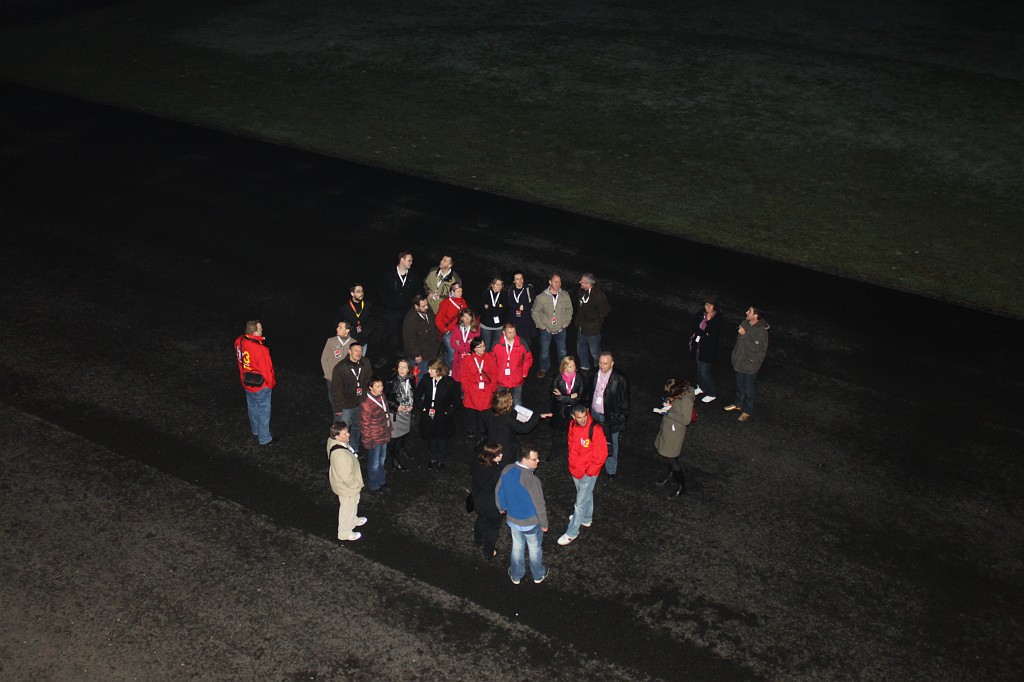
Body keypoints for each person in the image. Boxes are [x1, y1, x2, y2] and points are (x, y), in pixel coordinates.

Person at [495, 446, 549, 585]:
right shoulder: (531, 480)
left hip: (513, 520)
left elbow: (499, 490)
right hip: (531, 523)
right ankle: (538, 574)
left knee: (517, 547)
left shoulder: (507, 469)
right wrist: (544, 524)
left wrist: (501, 506)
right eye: (534, 459)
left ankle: (516, 575)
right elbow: (539, 504)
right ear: (524, 460)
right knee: (535, 548)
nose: (538, 461)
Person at [557, 405, 608, 546]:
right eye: (580, 417)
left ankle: (572, 532)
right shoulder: (572, 425)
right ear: (574, 417)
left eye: (585, 416)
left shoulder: (595, 429)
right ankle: (586, 518)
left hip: (587, 472)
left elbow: (601, 454)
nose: (584, 420)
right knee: (586, 495)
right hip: (575, 468)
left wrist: (589, 472)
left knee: (579, 504)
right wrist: (572, 463)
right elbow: (570, 443)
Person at [234, 319, 278, 446]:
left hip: (246, 381)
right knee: (264, 410)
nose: (262, 330)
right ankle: (265, 438)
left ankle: (255, 430)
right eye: (260, 329)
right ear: (254, 332)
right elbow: (267, 370)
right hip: (260, 386)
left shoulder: (239, 341)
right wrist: (270, 385)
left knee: (252, 406)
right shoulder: (260, 349)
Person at [725, 305, 770, 422]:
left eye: (749, 311)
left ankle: (747, 410)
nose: (746, 312)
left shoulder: (761, 331)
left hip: (750, 364)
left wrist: (745, 335)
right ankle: (738, 404)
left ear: (756, 315)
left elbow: (757, 348)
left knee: (749, 389)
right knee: (739, 385)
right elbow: (739, 343)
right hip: (740, 361)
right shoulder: (744, 323)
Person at [590, 351, 630, 479]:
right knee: (593, 441)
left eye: (605, 363)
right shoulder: (594, 373)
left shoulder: (620, 378)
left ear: (612, 364)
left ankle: (611, 470)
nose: (601, 366)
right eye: (600, 362)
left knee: (611, 444)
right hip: (594, 413)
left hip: (611, 417)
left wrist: (620, 418)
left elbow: (625, 401)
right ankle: (594, 464)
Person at [413, 358, 458, 470]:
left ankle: (441, 459)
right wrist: (423, 408)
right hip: (428, 414)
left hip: (442, 416)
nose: (429, 371)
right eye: (429, 369)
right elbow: (417, 395)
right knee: (430, 438)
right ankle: (432, 458)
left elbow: (456, 401)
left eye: (432, 369)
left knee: (442, 439)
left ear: (439, 370)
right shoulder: (426, 379)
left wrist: (448, 412)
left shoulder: (449, 383)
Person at [655, 378, 695, 498]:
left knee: (672, 457)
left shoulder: (686, 399)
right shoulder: (679, 393)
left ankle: (681, 486)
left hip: (675, 430)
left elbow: (686, 419)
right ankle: (671, 475)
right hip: (669, 427)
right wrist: (668, 403)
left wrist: (668, 413)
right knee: (669, 454)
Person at [482, 388, 550, 455]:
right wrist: (538, 416)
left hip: (492, 440)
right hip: (505, 446)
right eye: (511, 399)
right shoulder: (507, 418)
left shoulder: (490, 412)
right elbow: (523, 428)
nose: (512, 400)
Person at [328, 421, 366, 541]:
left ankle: (353, 520)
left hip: (346, 486)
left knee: (353, 504)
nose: (348, 435)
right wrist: (356, 485)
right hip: (347, 488)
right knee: (347, 509)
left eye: (347, 432)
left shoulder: (336, 442)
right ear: (337, 436)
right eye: (344, 434)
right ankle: (344, 533)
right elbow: (346, 477)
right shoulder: (340, 455)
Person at [331, 340, 373, 447]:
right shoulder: (340, 368)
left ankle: (354, 448)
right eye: (356, 351)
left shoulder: (365, 362)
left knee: (357, 426)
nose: (359, 353)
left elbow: (369, 378)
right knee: (344, 429)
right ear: (349, 351)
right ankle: (342, 448)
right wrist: (337, 408)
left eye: (360, 351)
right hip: (346, 404)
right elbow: (335, 389)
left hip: (360, 402)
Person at [548, 355, 590, 462]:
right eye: (570, 366)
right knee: (557, 433)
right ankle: (554, 453)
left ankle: (575, 454)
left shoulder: (580, 378)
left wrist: (562, 397)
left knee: (574, 434)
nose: (574, 368)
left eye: (574, 365)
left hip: (573, 410)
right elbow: (553, 397)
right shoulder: (557, 378)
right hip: (559, 411)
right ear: (564, 368)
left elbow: (580, 397)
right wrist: (570, 396)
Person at [531, 272, 573, 379]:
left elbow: (569, 309)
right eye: (555, 282)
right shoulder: (541, 297)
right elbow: (535, 312)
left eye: (559, 282)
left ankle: (563, 369)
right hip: (546, 330)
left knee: (562, 350)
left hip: (560, 329)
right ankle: (543, 368)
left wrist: (566, 322)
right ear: (550, 282)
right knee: (544, 351)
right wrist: (541, 325)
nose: (558, 284)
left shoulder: (565, 295)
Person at [379, 251, 419, 358]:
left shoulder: (412, 276)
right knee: (387, 334)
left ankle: (401, 351)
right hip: (391, 311)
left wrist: (414, 304)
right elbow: (382, 291)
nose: (411, 262)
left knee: (403, 332)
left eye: (412, 260)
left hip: (405, 311)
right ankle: (383, 356)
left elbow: (417, 291)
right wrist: (389, 304)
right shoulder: (389, 274)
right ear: (402, 260)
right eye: (409, 260)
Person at [470, 442, 504, 560]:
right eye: (499, 454)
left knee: (481, 519)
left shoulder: (476, 463)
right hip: (493, 505)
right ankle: (488, 552)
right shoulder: (498, 472)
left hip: (478, 500)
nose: (501, 455)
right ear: (492, 457)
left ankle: (478, 541)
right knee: (493, 528)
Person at [359, 377, 392, 493]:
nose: (381, 388)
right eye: (378, 386)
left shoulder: (382, 396)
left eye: (381, 386)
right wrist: (367, 442)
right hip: (374, 438)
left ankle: (381, 480)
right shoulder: (366, 404)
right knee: (374, 462)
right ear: (370, 388)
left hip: (383, 434)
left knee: (382, 459)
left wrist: (389, 429)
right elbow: (364, 425)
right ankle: (373, 485)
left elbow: (386, 413)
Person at [461, 337, 498, 439]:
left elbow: (494, 374)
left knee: (485, 411)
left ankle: (483, 429)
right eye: (480, 347)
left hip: (486, 389)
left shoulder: (490, 358)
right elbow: (463, 376)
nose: (483, 349)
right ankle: (471, 428)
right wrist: (466, 389)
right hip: (472, 389)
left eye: (484, 346)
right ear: (474, 348)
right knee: (470, 412)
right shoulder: (467, 360)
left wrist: (492, 388)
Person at [689, 295, 723, 403]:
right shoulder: (701, 313)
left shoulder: (717, 318)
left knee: (704, 371)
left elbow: (712, 334)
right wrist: (704, 333)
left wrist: (708, 322)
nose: (707, 307)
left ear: (714, 307)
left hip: (708, 350)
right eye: (706, 304)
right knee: (699, 368)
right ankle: (701, 387)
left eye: (710, 305)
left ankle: (712, 393)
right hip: (699, 346)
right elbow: (695, 327)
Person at [575, 273, 611, 372]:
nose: (579, 283)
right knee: (581, 349)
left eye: (582, 282)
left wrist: (596, 321)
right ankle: (584, 367)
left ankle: (599, 369)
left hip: (592, 331)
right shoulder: (581, 291)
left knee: (594, 352)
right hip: (581, 328)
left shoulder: (599, 296)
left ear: (588, 284)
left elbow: (605, 311)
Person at [491, 322, 533, 406]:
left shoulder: (521, 342)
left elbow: (528, 358)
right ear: (503, 332)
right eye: (510, 332)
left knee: (517, 401)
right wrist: (494, 374)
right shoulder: (497, 344)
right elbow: (492, 360)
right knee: (499, 401)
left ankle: (518, 418)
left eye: (514, 332)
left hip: (517, 376)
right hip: (500, 377)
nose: (513, 335)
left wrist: (524, 372)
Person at [385, 358, 416, 466]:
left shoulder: (411, 379)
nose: (401, 369)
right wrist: (397, 407)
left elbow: (412, 394)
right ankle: (394, 459)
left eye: (404, 367)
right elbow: (385, 399)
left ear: (408, 369)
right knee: (393, 437)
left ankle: (402, 448)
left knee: (405, 433)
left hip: (406, 412)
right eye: (399, 367)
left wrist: (412, 405)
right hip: (395, 414)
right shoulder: (391, 381)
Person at [402, 294, 440, 378]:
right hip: (421, 356)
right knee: (421, 376)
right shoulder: (411, 320)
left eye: (426, 304)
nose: (426, 307)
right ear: (416, 306)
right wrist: (416, 354)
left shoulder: (427, 311)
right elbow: (409, 339)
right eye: (423, 306)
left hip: (431, 351)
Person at [321, 320, 354, 414]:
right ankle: (337, 417)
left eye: (340, 327)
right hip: (333, 377)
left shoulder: (353, 343)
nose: (337, 328)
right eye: (338, 326)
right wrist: (328, 375)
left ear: (347, 330)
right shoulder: (331, 341)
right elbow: (324, 359)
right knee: (334, 397)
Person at [339, 283, 377, 360]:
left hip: (363, 341)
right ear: (352, 293)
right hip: (349, 341)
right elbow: (339, 323)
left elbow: (372, 320)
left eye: (362, 291)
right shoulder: (345, 307)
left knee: (360, 361)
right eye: (358, 291)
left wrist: (366, 332)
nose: (361, 293)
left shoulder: (368, 305)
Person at [449, 308, 481, 397]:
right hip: (458, 359)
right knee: (459, 381)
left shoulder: (476, 328)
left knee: (469, 380)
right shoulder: (456, 328)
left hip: (470, 359)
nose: (467, 319)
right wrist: (466, 343)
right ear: (461, 318)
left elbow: (474, 345)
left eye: (469, 316)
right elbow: (452, 343)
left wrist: (461, 344)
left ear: (472, 317)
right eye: (464, 316)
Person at [434, 282, 468, 365]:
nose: (461, 293)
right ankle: (448, 368)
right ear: (452, 292)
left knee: (461, 353)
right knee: (453, 354)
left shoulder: (462, 302)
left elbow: (467, 315)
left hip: (460, 331)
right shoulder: (446, 303)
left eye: (461, 291)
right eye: (458, 291)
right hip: (449, 332)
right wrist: (444, 330)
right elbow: (438, 318)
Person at [507, 271, 538, 349]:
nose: (520, 281)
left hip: (526, 320)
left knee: (527, 343)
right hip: (515, 320)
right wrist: (518, 307)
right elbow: (509, 303)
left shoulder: (528, 288)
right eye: (517, 279)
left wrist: (525, 307)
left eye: (521, 278)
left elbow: (534, 302)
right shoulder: (511, 290)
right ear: (514, 281)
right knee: (515, 342)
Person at [479, 276, 509, 349]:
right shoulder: (485, 293)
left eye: (501, 285)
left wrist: (489, 307)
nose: (499, 287)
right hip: (486, 325)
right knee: (486, 346)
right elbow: (482, 310)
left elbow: (503, 310)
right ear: (492, 284)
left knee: (496, 346)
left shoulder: (503, 294)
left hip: (498, 326)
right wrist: (496, 310)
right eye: (497, 285)